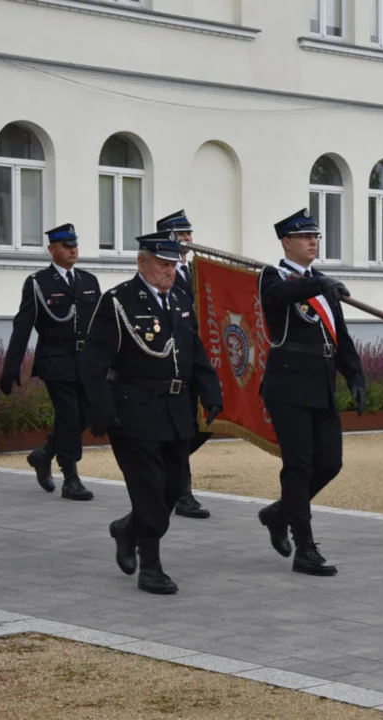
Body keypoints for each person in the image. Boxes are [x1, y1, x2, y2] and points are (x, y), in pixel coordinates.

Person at [81, 230, 223, 594]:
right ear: (141, 262)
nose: (170, 271)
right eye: (162, 263)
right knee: (148, 490)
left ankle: (127, 529)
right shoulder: (119, 301)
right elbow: (92, 361)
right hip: (134, 410)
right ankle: (151, 566)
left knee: (173, 489)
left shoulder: (179, 300)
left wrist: (210, 390)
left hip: (176, 410)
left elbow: (195, 349)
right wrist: (102, 407)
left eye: (174, 264)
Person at [255, 208, 365, 577]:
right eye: (305, 237)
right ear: (287, 242)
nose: (313, 241)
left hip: (321, 385)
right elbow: (278, 297)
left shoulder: (322, 283)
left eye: (315, 236)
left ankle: (279, 513)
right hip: (288, 386)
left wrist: (356, 376)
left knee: (330, 463)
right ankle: (304, 547)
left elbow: (340, 336)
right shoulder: (273, 277)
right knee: (298, 465)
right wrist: (320, 285)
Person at [0, 223, 99, 501]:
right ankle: (70, 477)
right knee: (68, 415)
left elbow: (101, 326)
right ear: (52, 250)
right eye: (66, 246)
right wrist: (11, 365)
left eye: (75, 245)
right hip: (55, 360)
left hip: (85, 360)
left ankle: (44, 455)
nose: (73, 250)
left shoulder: (89, 281)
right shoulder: (38, 283)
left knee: (86, 414)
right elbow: (23, 325)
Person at [156, 209, 210, 520]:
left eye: (189, 233)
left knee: (204, 424)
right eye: (181, 234)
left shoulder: (197, 271)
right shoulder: (163, 273)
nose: (188, 239)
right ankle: (183, 494)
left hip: (198, 358)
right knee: (184, 426)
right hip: (174, 360)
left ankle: (166, 466)